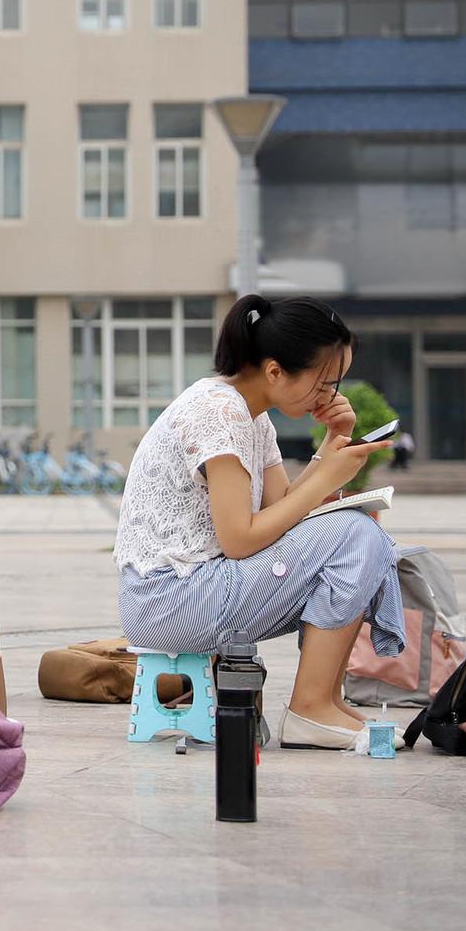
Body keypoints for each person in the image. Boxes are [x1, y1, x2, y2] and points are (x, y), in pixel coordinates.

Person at [112, 295, 404, 752]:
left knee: (355, 529)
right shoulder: (218, 412)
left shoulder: (250, 416)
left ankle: (325, 700)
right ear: (274, 371)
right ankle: (311, 708)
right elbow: (240, 538)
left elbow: (284, 507)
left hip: (193, 587)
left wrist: (332, 443)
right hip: (170, 598)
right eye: (324, 382)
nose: (330, 394)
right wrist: (328, 476)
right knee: (353, 534)